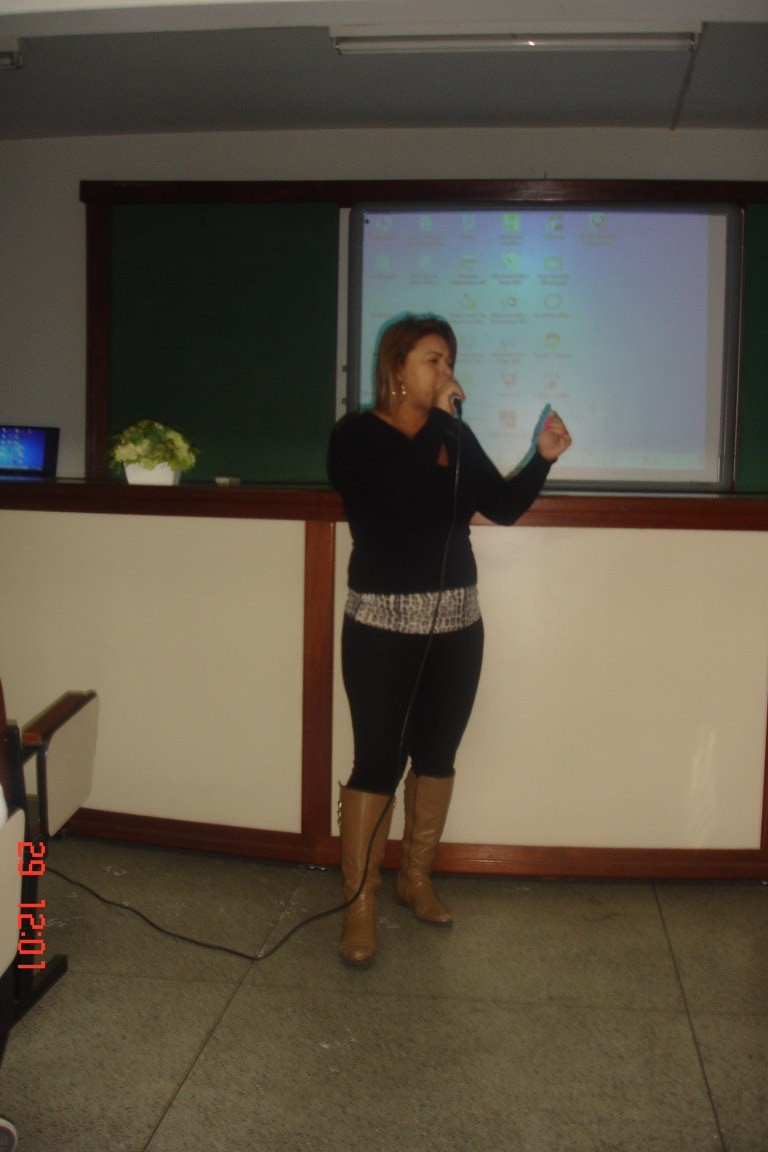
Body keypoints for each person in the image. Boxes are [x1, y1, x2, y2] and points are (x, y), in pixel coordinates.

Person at [327, 314, 572, 966]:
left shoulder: (454, 435)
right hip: (381, 626)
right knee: (378, 761)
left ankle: (415, 877)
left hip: (459, 624)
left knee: (437, 755)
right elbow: (394, 502)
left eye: (449, 361)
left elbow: (504, 507)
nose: (446, 372)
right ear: (397, 367)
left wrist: (542, 459)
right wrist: (436, 422)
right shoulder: (356, 436)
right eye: (433, 360)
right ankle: (359, 904)